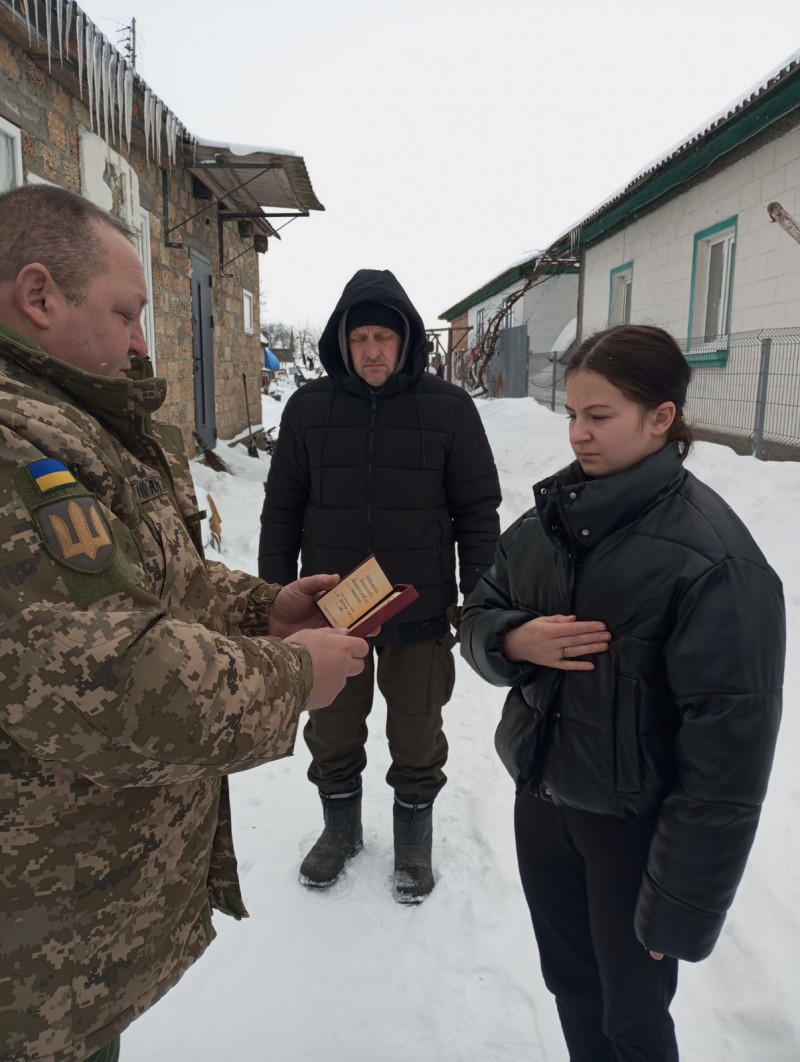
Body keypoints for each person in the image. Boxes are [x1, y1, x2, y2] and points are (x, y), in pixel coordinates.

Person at [0, 184, 369, 1062]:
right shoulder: (19, 446)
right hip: (29, 964)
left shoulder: (80, 422)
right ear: (39, 296)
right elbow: (116, 684)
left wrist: (262, 609)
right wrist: (296, 677)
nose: (141, 342)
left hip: (64, 942)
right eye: (126, 313)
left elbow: (146, 584)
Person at [460, 324, 785, 1061]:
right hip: (543, 802)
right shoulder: (549, 522)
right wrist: (513, 639)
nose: (578, 433)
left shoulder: (716, 563)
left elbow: (728, 761)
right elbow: (475, 614)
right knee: (571, 988)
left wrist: (680, 904)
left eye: (599, 416)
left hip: (632, 832)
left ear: (661, 416)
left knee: (633, 1021)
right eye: (573, 413)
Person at [258, 268, 501, 902]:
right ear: (342, 341)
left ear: (406, 340)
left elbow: (477, 510)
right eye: (359, 337)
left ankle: (413, 843)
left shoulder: (448, 409)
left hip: (418, 608)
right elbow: (282, 509)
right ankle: (340, 832)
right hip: (333, 610)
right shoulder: (308, 410)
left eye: (383, 337)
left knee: (417, 732)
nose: (371, 350)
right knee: (332, 729)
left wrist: (479, 596)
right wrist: (272, 599)